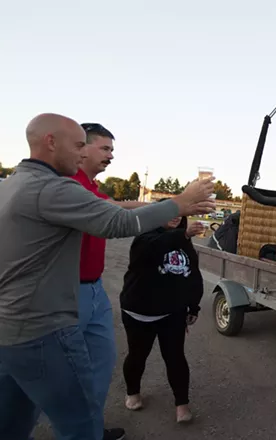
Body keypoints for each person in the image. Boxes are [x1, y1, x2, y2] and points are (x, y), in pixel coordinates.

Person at [0, 113, 214, 440]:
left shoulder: (18, 181)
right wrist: (179, 202)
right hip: (42, 326)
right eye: (78, 146)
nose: (82, 153)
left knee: (13, 415)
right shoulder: (52, 188)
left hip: (15, 323)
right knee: (80, 419)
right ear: (51, 142)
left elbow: (111, 209)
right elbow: (117, 224)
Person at [70, 122, 148, 440]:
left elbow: (111, 204)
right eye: (105, 148)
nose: (111, 156)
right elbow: (109, 211)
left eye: (112, 150)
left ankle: (88, 431)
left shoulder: (91, 187)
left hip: (94, 289)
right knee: (55, 372)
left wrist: (153, 206)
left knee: (100, 366)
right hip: (67, 293)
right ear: (81, 147)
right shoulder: (69, 185)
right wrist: (172, 206)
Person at [119, 210, 205, 423]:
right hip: (139, 311)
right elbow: (154, 246)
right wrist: (183, 234)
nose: (176, 216)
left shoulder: (184, 241)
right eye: (170, 211)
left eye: (180, 213)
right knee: (137, 356)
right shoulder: (145, 238)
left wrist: (193, 306)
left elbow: (193, 274)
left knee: (175, 358)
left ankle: (182, 404)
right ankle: (133, 392)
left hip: (171, 311)